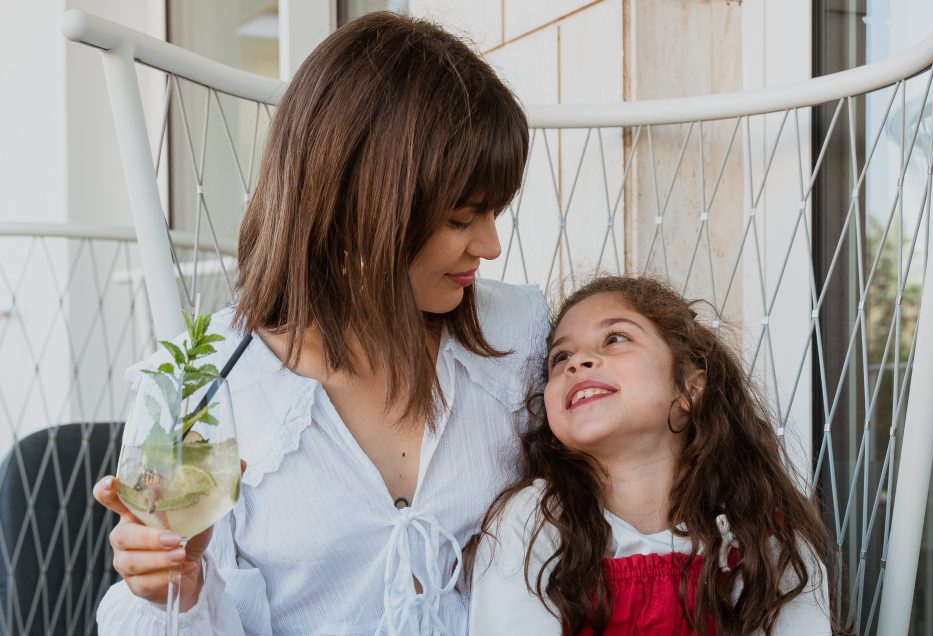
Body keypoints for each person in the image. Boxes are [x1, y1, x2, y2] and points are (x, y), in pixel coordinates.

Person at [93, 11, 548, 635]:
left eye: (493, 212)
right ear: (360, 207)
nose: (491, 246)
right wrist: (176, 588)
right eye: (462, 219)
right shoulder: (196, 387)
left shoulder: (523, 337)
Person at [466, 276, 835, 635]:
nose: (577, 362)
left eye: (615, 338)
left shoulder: (762, 538)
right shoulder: (533, 523)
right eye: (560, 357)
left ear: (689, 389)